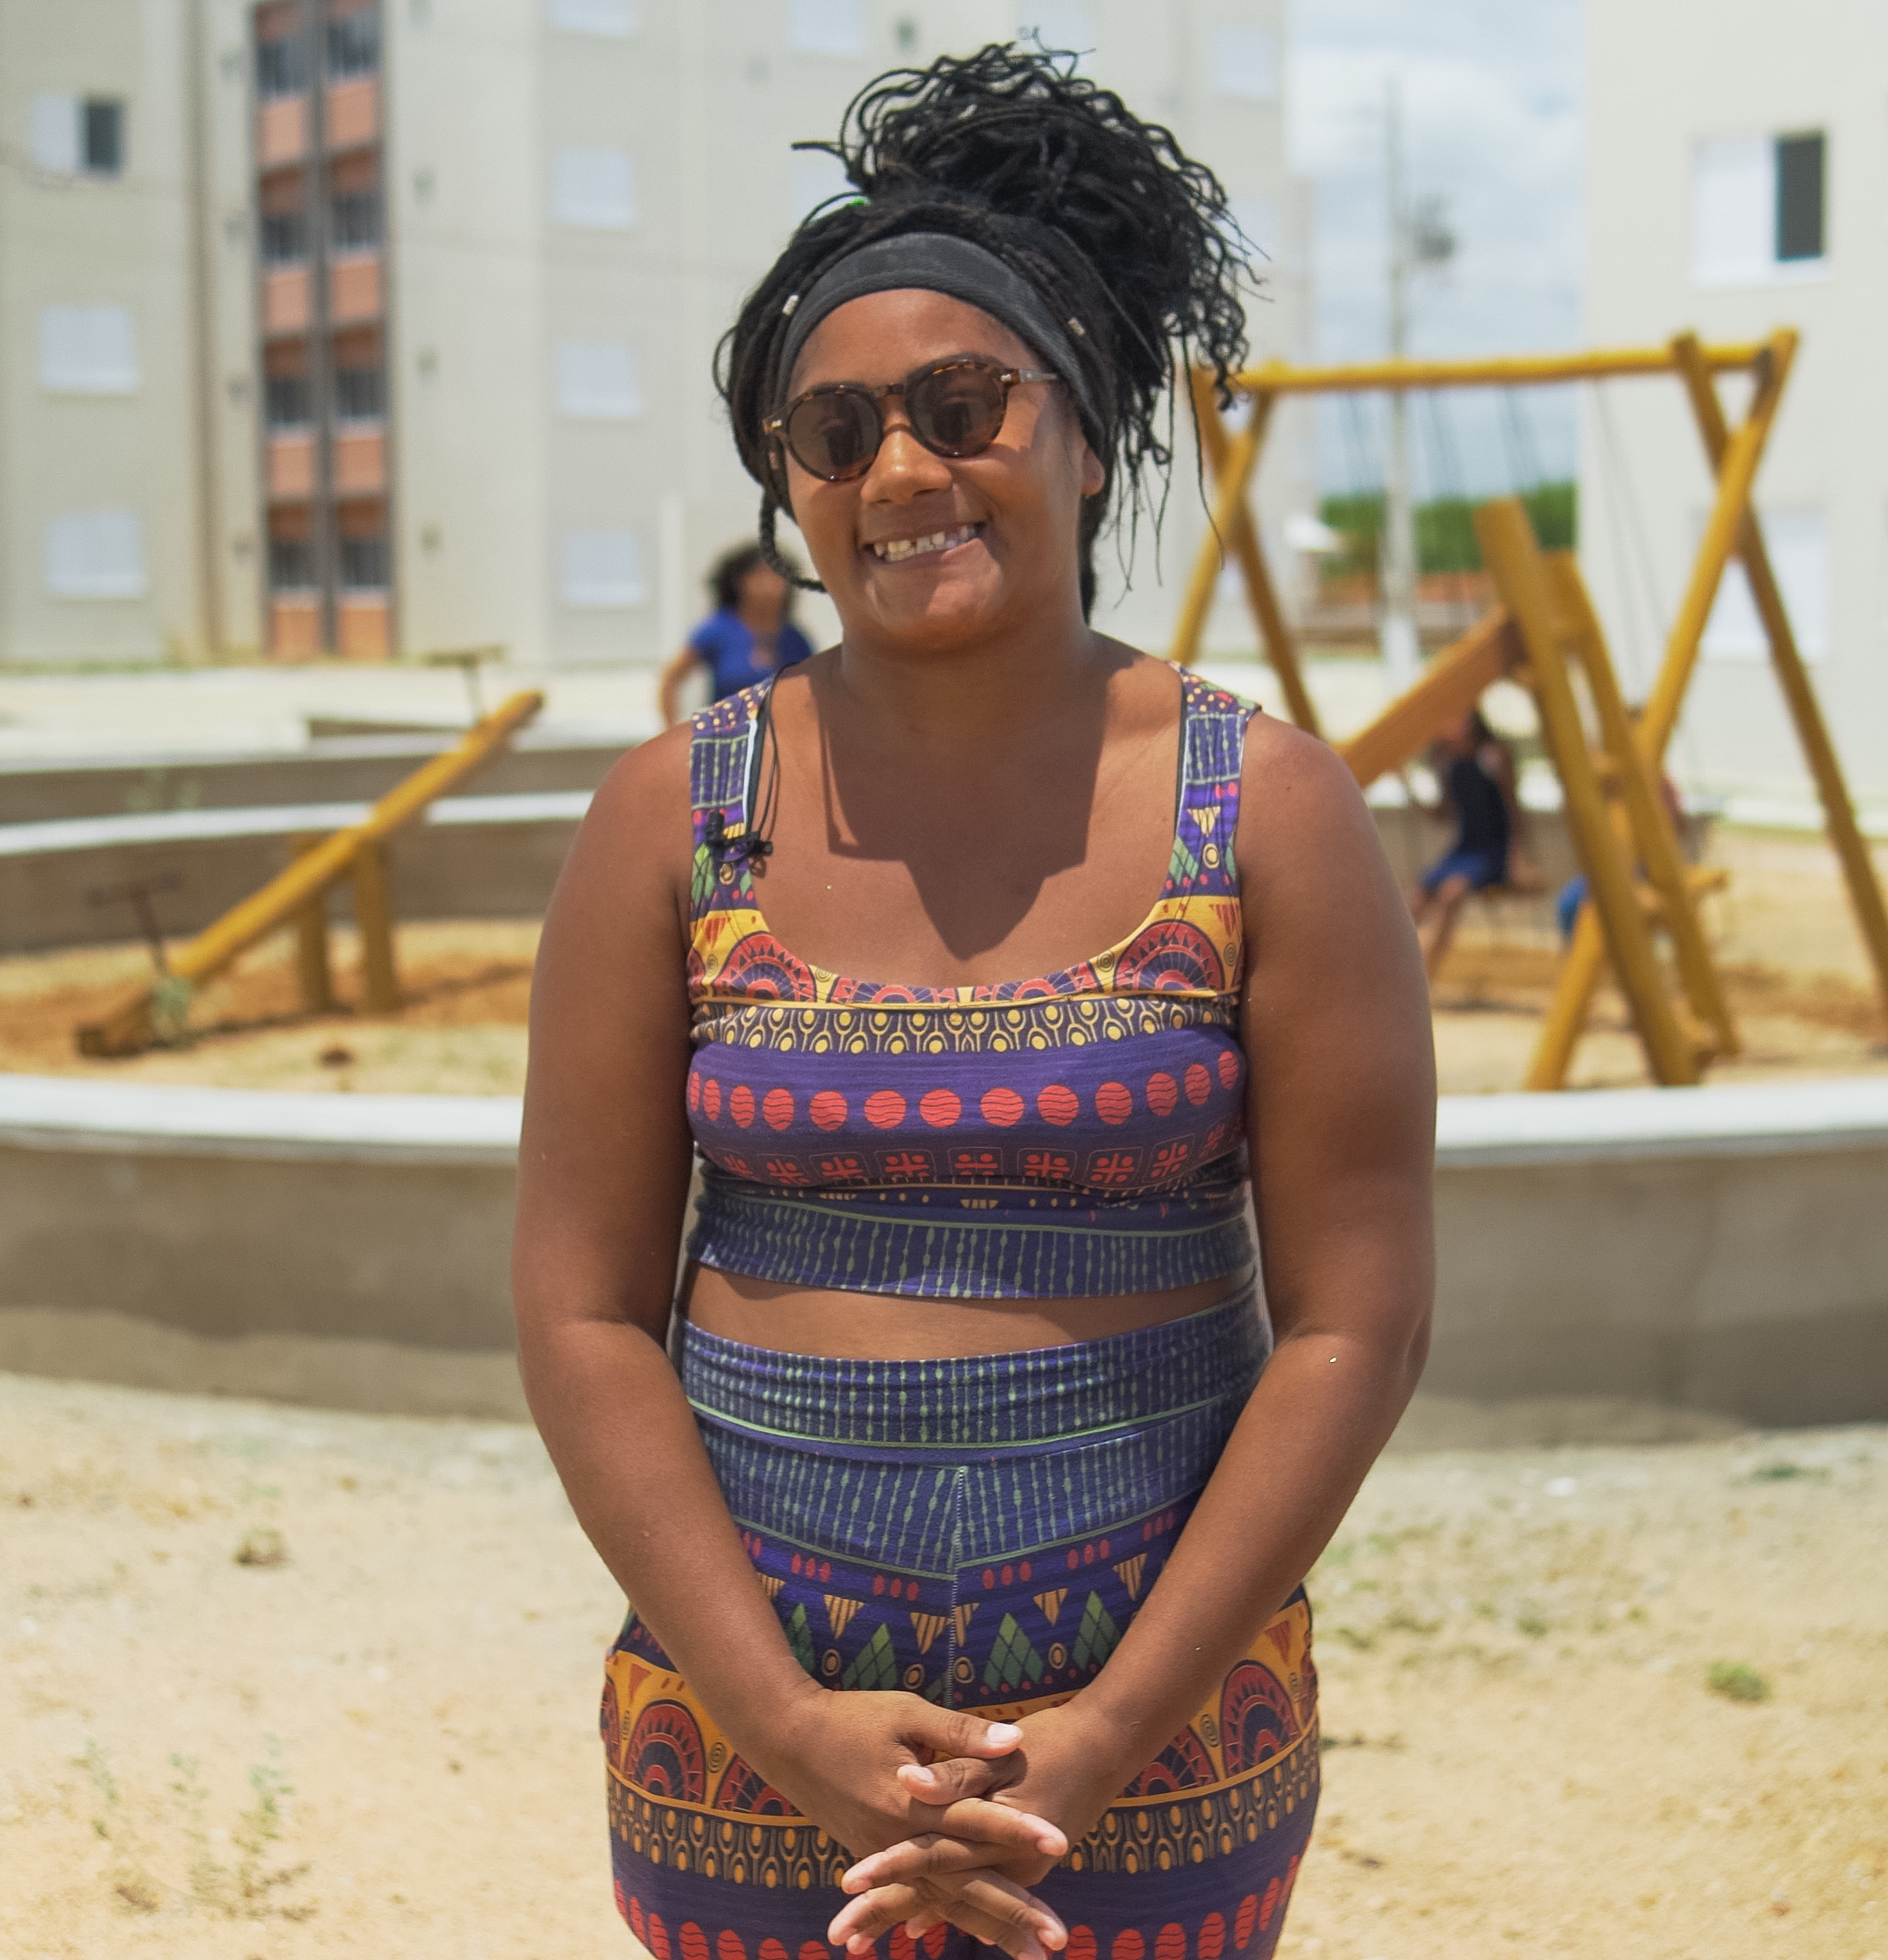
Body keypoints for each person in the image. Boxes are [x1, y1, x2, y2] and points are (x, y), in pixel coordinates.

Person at [513, 47, 1434, 1960]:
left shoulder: (1264, 810)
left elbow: (1356, 1321)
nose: (903, 474)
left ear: (1086, 432)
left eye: (962, 407)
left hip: (1155, 1760)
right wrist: (784, 1721)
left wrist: (1102, 1736)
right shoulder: (671, 818)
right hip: (743, 1754)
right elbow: (583, 1311)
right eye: (835, 432)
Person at [1407, 707, 1524, 979]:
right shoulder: (1449, 763)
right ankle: (1400, 969)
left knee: (1451, 894)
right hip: (1464, 848)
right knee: (1416, 900)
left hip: (1492, 851)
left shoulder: (1492, 756)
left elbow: (1513, 810)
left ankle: (1425, 975)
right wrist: (1407, 786)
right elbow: (1442, 814)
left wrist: (1517, 862)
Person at [660, 544, 819, 724]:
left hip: (781, 735)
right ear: (739, 581)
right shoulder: (718, 630)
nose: (770, 583)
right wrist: (671, 729)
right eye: (760, 574)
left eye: (778, 574)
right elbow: (671, 679)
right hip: (726, 735)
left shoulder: (796, 639)